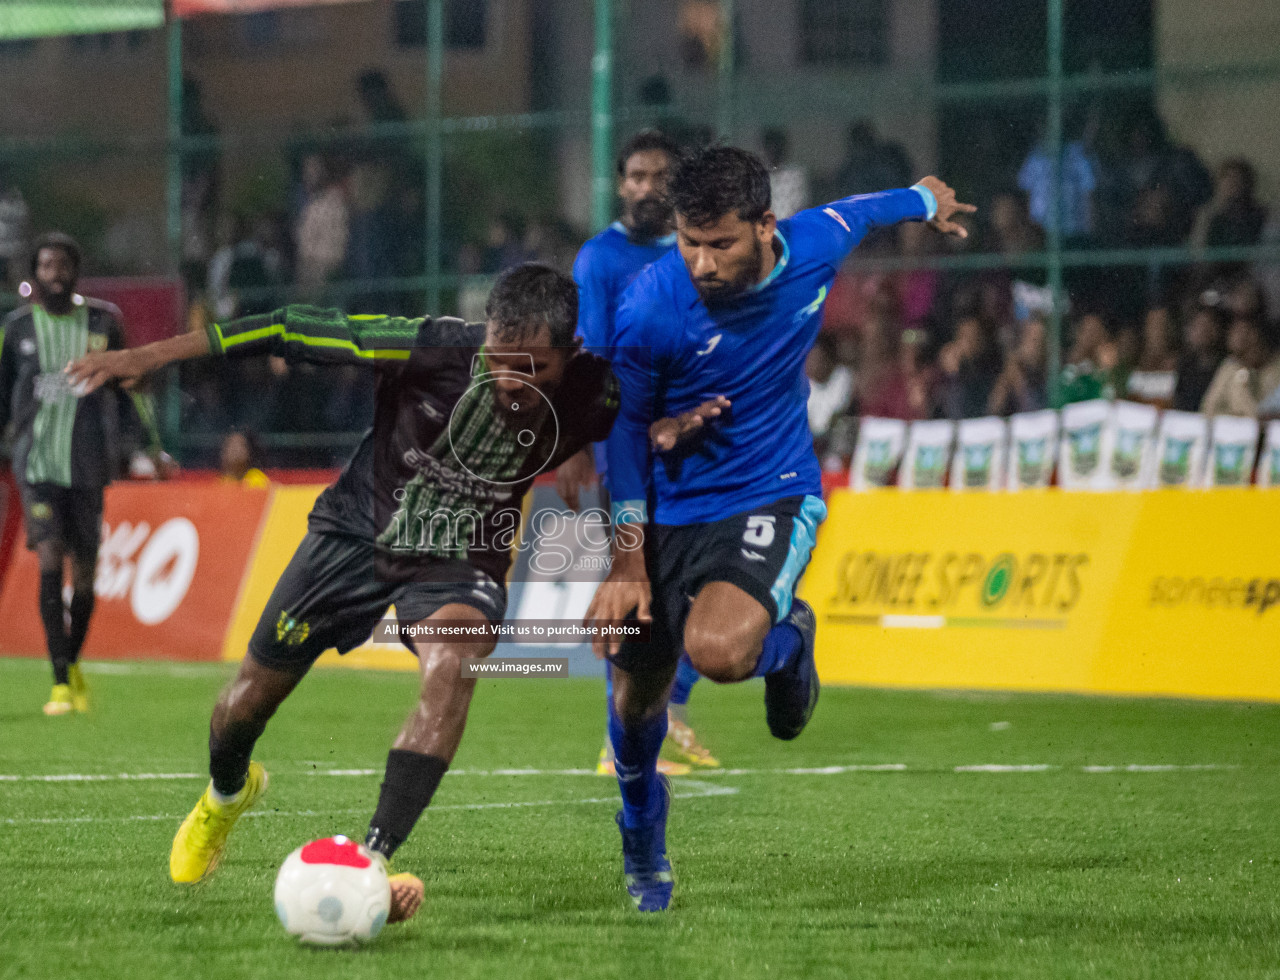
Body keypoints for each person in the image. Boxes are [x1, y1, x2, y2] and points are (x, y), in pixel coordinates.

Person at [65, 264, 621, 926]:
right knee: (245, 702)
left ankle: (372, 861)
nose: (511, 382)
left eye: (533, 368)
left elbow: (646, 438)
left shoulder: (596, 391)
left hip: (461, 558)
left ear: (568, 354)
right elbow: (286, 328)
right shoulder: (432, 347)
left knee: (452, 669)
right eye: (500, 362)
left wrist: (624, 521)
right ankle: (224, 796)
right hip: (355, 535)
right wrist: (149, 356)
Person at [586, 145, 972, 912]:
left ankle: (789, 644)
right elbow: (623, 437)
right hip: (665, 513)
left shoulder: (811, 245)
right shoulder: (649, 306)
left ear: (766, 227)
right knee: (635, 710)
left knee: (721, 652)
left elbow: (861, 212)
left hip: (771, 491)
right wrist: (627, 565)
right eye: (689, 243)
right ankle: (641, 839)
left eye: (720, 244)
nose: (701, 263)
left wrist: (924, 200)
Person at [0, 233, 172, 715]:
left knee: (85, 578)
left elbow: (129, 391)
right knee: (49, 559)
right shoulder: (15, 329)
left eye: (62, 264)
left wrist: (154, 447)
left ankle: (70, 662)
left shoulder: (104, 323)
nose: (54, 273)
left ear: (75, 270)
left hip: (89, 465)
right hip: (37, 465)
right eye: (46, 265)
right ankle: (60, 681)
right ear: (34, 273)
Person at [564, 130, 715, 775]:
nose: (644, 187)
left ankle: (667, 706)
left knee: (710, 586)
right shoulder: (600, 259)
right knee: (636, 588)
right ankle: (617, 740)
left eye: (657, 176)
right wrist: (580, 444)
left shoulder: (697, 252)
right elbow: (590, 359)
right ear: (620, 183)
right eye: (634, 175)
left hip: (697, 446)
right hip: (626, 448)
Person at [1200, 315, 1280, 417]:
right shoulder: (1231, 368)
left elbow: (1259, 414)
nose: (1233, 336)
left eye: (1239, 332)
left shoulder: (1274, 369)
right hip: (1230, 429)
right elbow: (1208, 408)